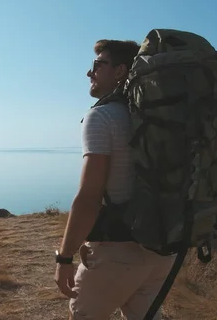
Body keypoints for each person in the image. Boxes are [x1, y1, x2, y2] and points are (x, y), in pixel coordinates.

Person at [54, 39, 176, 320]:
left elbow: (89, 197)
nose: (89, 72)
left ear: (121, 71)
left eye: (98, 65)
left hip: (117, 251)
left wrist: (64, 257)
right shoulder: (155, 117)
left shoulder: (102, 117)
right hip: (162, 248)